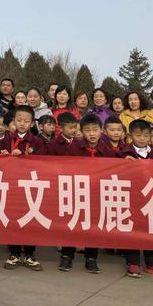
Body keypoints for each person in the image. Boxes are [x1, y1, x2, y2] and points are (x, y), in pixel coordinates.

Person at [58, 114, 114, 274]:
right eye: (87, 130)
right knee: (72, 223)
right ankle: (67, 255)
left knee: (93, 226)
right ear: (81, 132)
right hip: (77, 192)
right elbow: (66, 168)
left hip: (96, 195)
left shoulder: (106, 151)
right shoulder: (74, 148)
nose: (91, 134)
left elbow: (115, 169)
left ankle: (91, 257)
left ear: (101, 131)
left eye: (95, 130)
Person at [0, 105, 45, 271]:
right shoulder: (6, 139)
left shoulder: (37, 142)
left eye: (26, 121)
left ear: (32, 123)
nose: (22, 123)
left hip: (31, 186)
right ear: (13, 122)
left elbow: (44, 163)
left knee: (32, 218)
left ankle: (30, 254)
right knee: (13, 217)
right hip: (11, 186)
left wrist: (25, 156)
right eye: (19, 120)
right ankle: (14, 253)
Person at [119, 119, 153, 278]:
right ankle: (133, 261)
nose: (142, 138)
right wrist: (123, 164)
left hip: (150, 198)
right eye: (138, 135)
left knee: (150, 228)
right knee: (132, 228)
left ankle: (150, 260)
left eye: (146, 135)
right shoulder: (123, 153)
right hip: (131, 197)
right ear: (130, 135)